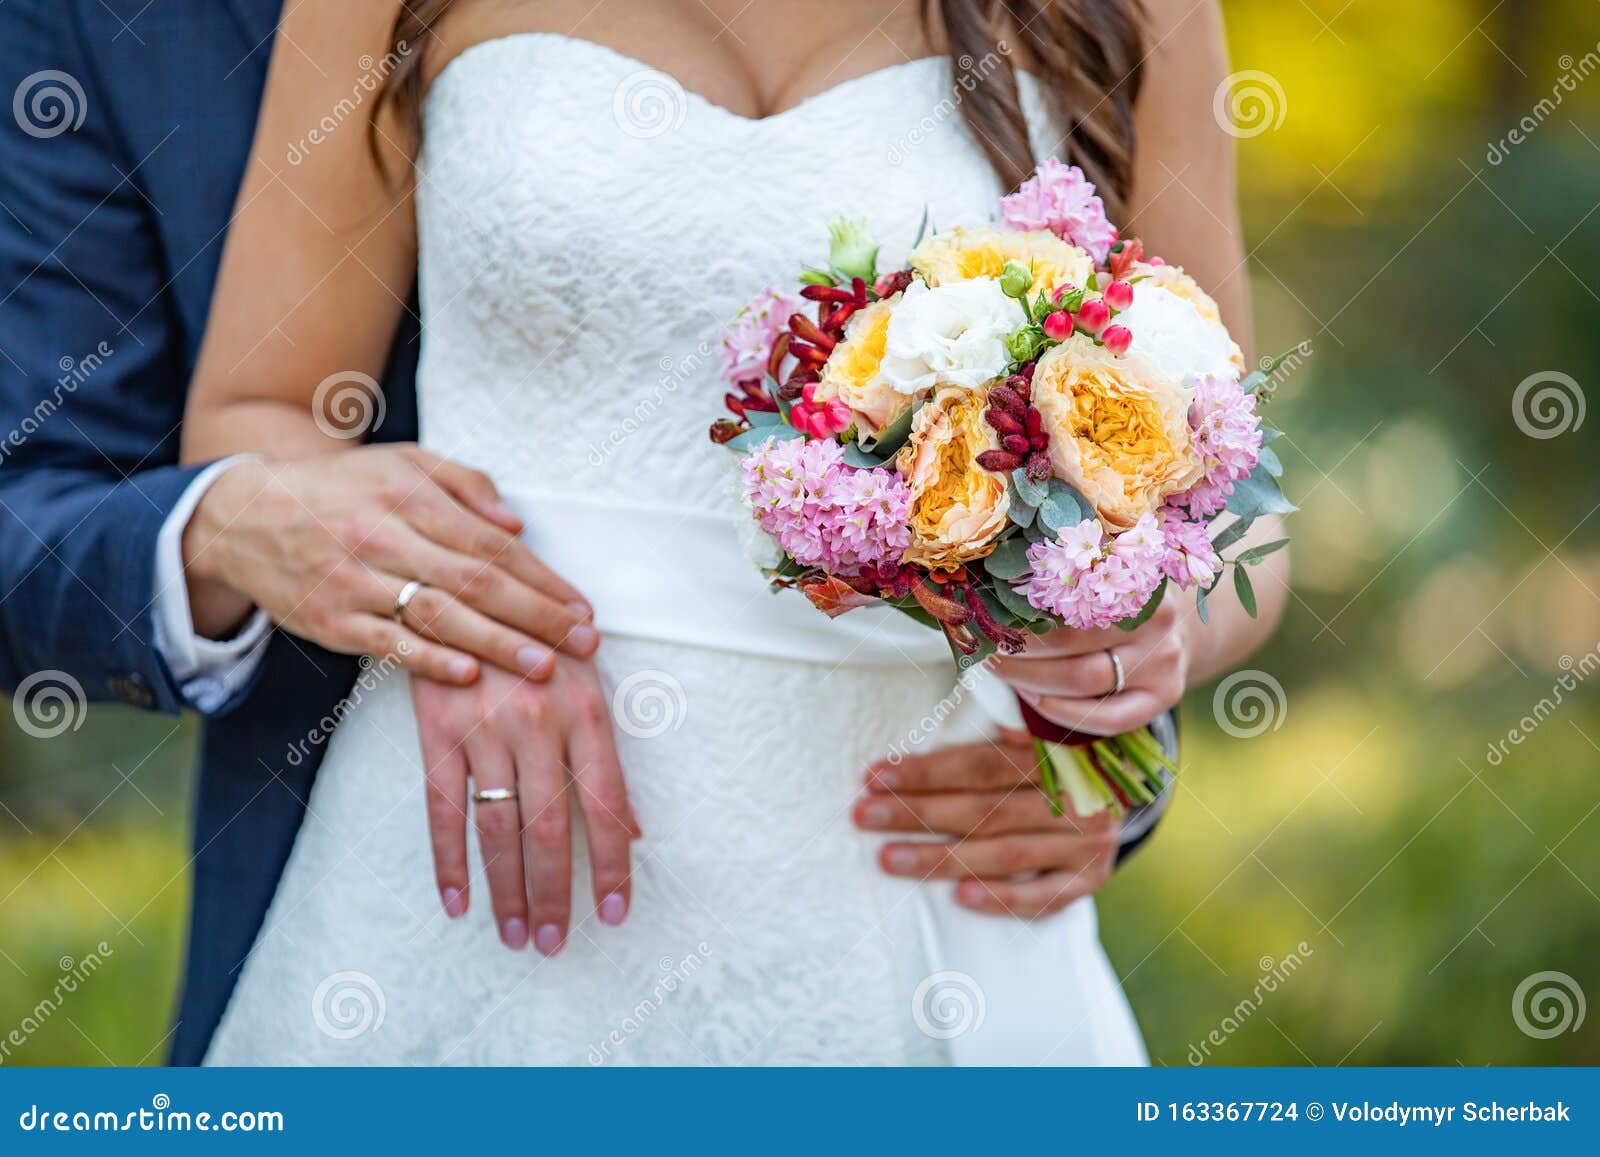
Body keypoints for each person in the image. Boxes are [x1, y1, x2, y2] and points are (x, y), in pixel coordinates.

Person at [0, 0, 1169, 1067]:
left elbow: (1208, 459)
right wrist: (429, 593)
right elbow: (260, 419)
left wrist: (1132, 665)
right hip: (470, 840)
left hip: (922, 854)